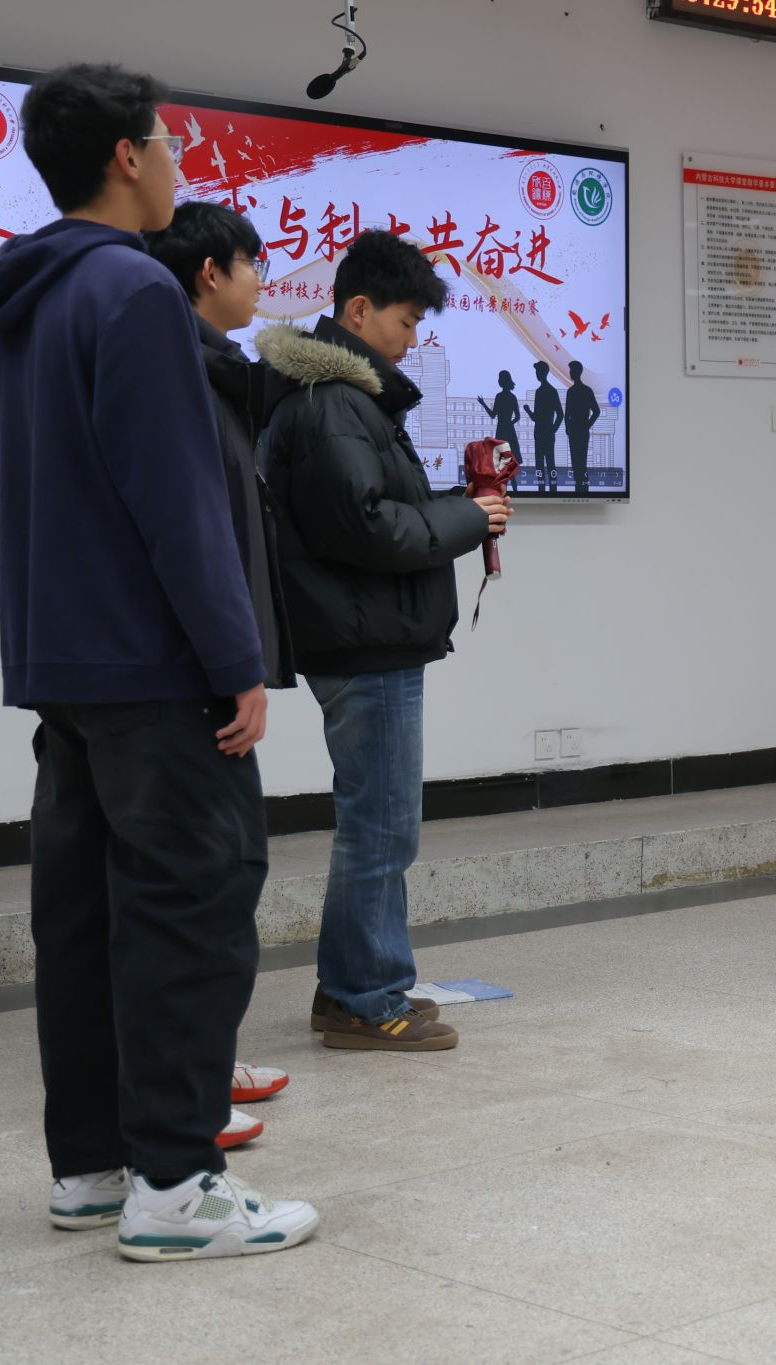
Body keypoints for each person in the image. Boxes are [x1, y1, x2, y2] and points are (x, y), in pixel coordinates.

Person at [0, 61, 316, 1262]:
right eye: (169, 143)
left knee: (82, 920)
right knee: (193, 907)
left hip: (63, 661)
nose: (177, 162)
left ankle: (92, 1167)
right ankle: (176, 1187)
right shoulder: (132, 290)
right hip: (156, 665)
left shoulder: (16, 295)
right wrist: (237, 660)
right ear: (127, 156)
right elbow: (179, 501)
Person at [259, 229, 511, 1050]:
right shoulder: (333, 404)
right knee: (382, 825)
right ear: (359, 311)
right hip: (364, 641)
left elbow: (372, 511)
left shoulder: (342, 398)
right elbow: (365, 528)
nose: (411, 340)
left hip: (367, 634)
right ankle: (365, 997)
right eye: (405, 322)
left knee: (379, 820)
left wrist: (458, 509)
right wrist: (469, 518)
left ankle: (355, 984)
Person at [146, 200, 301, 1120]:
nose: (260, 284)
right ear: (211, 272)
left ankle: (205, 1063)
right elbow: (197, 539)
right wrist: (235, 665)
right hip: (194, 678)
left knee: (214, 873)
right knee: (213, 874)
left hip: (197, 667)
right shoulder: (185, 379)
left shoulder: (215, 373)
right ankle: (191, 1089)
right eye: (253, 266)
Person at [477, 368, 522, 487]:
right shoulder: (512, 397)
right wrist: (510, 423)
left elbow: (493, 415)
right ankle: (514, 488)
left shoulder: (500, 396)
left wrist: (483, 403)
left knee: (502, 464)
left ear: (502, 381)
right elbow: (517, 417)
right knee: (510, 462)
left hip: (502, 430)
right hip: (508, 430)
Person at [564, 358, 600, 493]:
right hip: (576, 431)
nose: (570, 373)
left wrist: (586, 426)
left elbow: (596, 411)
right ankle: (579, 490)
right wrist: (569, 428)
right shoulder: (574, 391)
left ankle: (583, 491)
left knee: (580, 463)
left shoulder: (582, 391)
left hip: (579, 431)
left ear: (577, 372)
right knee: (577, 463)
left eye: (572, 370)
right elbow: (567, 414)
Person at [530, 360, 562, 490]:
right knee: (549, 464)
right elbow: (560, 415)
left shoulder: (542, 392)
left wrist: (527, 410)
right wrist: (552, 430)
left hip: (541, 434)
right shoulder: (551, 391)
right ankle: (551, 492)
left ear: (542, 372)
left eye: (537, 371)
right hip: (545, 434)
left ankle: (543, 491)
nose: (536, 374)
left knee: (542, 465)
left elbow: (536, 417)